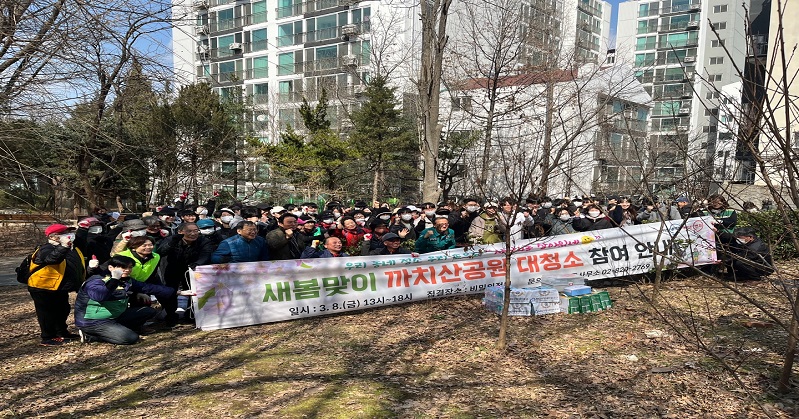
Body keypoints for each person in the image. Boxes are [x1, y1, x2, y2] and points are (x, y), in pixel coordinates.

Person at [74, 255, 175, 345]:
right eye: (123, 267)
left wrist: (176, 292)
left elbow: (148, 287)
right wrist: (114, 280)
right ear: (111, 268)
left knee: (148, 311)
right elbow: (100, 296)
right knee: (131, 338)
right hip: (94, 320)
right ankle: (90, 336)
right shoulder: (96, 280)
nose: (127, 270)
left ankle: (121, 329)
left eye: (130, 267)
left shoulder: (126, 280)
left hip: (115, 315)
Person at [27, 224, 86, 346]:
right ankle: (48, 337)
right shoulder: (46, 249)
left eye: (69, 232)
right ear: (53, 237)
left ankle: (61, 332)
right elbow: (52, 259)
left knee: (62, 309)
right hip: (42, 286)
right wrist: (63, 246)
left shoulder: (70, 248)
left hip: (59, 286)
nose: (69, 235)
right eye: (64, 233)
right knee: (47, 313)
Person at [156, 222, 215, 326]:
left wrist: (198, 263)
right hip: (171, 268)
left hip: (191, 268)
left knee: (193, 290)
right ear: (180, 232)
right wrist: (173, 242)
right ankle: (171, 315)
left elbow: (206, 254)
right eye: (189, 231)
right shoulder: (171, 239)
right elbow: (161, 252)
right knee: (171, 291)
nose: (193, 234)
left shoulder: (203, 240)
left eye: (195, 231)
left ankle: (191, 313)